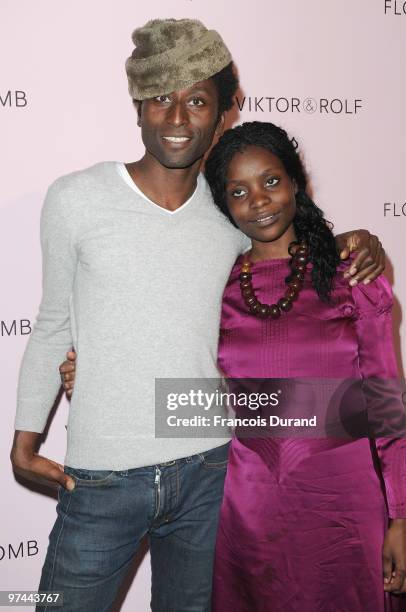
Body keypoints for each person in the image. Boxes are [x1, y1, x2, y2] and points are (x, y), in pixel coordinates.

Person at [12, 17, 385, 612]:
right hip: (103, 479)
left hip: (212, 473)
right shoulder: (76, 198)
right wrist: (25, 440)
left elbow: (295, 287)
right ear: (137, 106)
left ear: (223, 111)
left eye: (196, 100)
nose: (178, 118)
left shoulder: (232, 211)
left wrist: (357, 241)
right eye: (160, 98)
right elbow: (54, 321)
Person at [204, 121, 406, 611]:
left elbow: (386, 403)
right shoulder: (213, 290)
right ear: (225, 205)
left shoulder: (351, 275)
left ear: (296, 182)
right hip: (246, 514)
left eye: (271, 181)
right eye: (239, 191)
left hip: (347, 509)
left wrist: (401, 515)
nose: (259, 200)